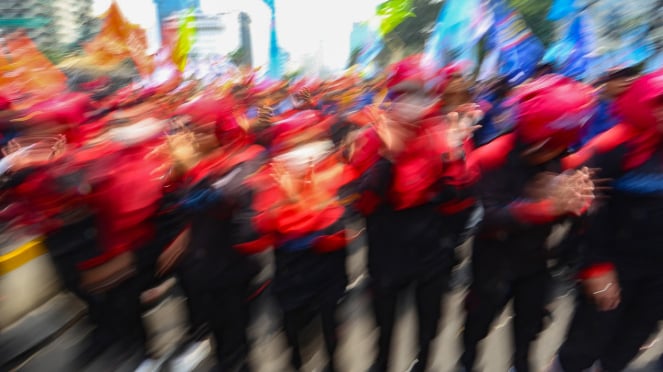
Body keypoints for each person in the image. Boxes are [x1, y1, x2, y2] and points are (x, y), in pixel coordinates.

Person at [348, 55, 477, 372]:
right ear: (393, 94)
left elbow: (461, 198)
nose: (412, 101)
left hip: (433, 245)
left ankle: (423, 363)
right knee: (385, 327)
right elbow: (359, 200)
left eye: (421, 92)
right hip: (387, 245)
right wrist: (388, 158)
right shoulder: (372, 135)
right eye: (404, 92)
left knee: (428, 323)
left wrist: (455, 156)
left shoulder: (446, 132)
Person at [460, 74, 597, 372]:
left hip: (535, 262)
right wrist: (547, 207)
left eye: (559, 147)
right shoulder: (493, 156)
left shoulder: (562, 156)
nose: (552, 154)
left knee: (526, 337)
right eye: (547, 146)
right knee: (477, 327)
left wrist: (578, 203)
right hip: (493, 261)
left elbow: (573, 210)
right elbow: (489, 217)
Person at [550, 69, 663, 372]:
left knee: (632, 340)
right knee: (585, 343)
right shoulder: (614, 146)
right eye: (659, 103)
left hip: (657, 274)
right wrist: (595, 265)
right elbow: (584, 207)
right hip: (612, 265)